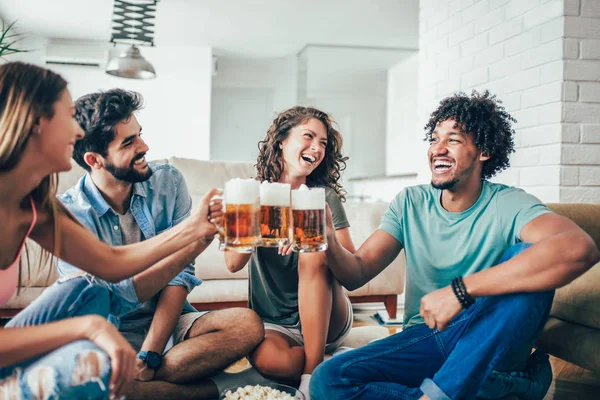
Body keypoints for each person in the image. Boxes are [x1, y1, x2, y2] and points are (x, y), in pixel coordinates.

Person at [310, 91, 600, 400]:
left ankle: (444, 391)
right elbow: (357, 273)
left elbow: (578, 247)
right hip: (427, 338)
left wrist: (460, 291)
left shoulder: (509, 202)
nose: (438, 149)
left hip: (487, 338)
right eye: (435, 139)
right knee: (328, 379)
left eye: (454, 140)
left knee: (529, 256)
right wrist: (327, 237)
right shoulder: (411, 202)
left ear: (484, 151)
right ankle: (502, 387)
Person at [0, 62, 222, 400]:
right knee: (88, 363)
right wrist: (89, 327)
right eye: (67, 117)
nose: (76, 133)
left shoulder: (36, 203)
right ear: (34, 126)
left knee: (89, 290)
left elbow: (109, 264)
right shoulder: (67, 202)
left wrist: (195, 233)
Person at [55, 88, 265, 400]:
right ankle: (202, 392)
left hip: (169, 324)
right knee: (76, 375)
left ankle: (137, 387)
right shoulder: (69, 214)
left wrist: (150, 355)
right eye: (129, 142)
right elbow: (105, 302)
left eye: (139, 134)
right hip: (107, 332)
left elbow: (179, 276)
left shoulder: (167, 181)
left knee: (246, 324)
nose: (144, 146)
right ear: (94, 159)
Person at [223, 106, 356, 399]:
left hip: (330, 315)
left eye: (323, 143)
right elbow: (233, 263)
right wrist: (254, 221)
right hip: (275, 321)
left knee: (313, 250)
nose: (316, 148)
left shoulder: (323, 198)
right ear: (282, 140)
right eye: (308, 136)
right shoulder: (250, 194)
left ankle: (310, 378)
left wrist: (314, 236)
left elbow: (352, 269)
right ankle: (331, 363)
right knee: (271, 363)